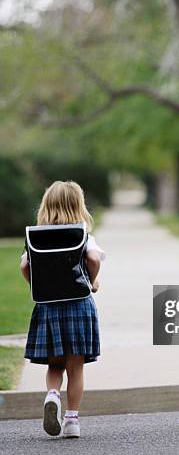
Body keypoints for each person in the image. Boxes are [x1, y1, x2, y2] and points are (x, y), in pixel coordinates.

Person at [20, 181, 105, 438]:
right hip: (78, 305)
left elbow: (25, 265)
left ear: (46, 206)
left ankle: (53, 395)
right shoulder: (82, 234)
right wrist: (93, 280)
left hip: (48, 307)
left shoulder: (35, 237)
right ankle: (72, 421)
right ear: (78, 206)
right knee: (75, 367)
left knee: (55, 365)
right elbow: (92, 258)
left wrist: (36, 283)